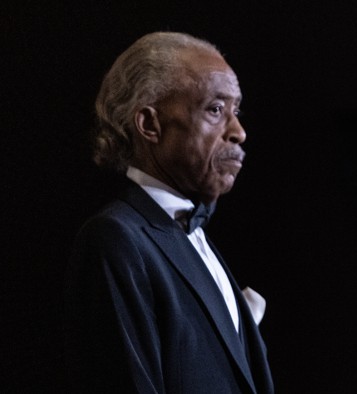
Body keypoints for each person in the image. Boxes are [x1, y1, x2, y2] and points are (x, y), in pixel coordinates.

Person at [63, 32, 274, 393]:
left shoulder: (192, 235)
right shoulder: (115, 238)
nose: (238, 131)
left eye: (236, 111)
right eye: (215, 109)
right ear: (150, 124)